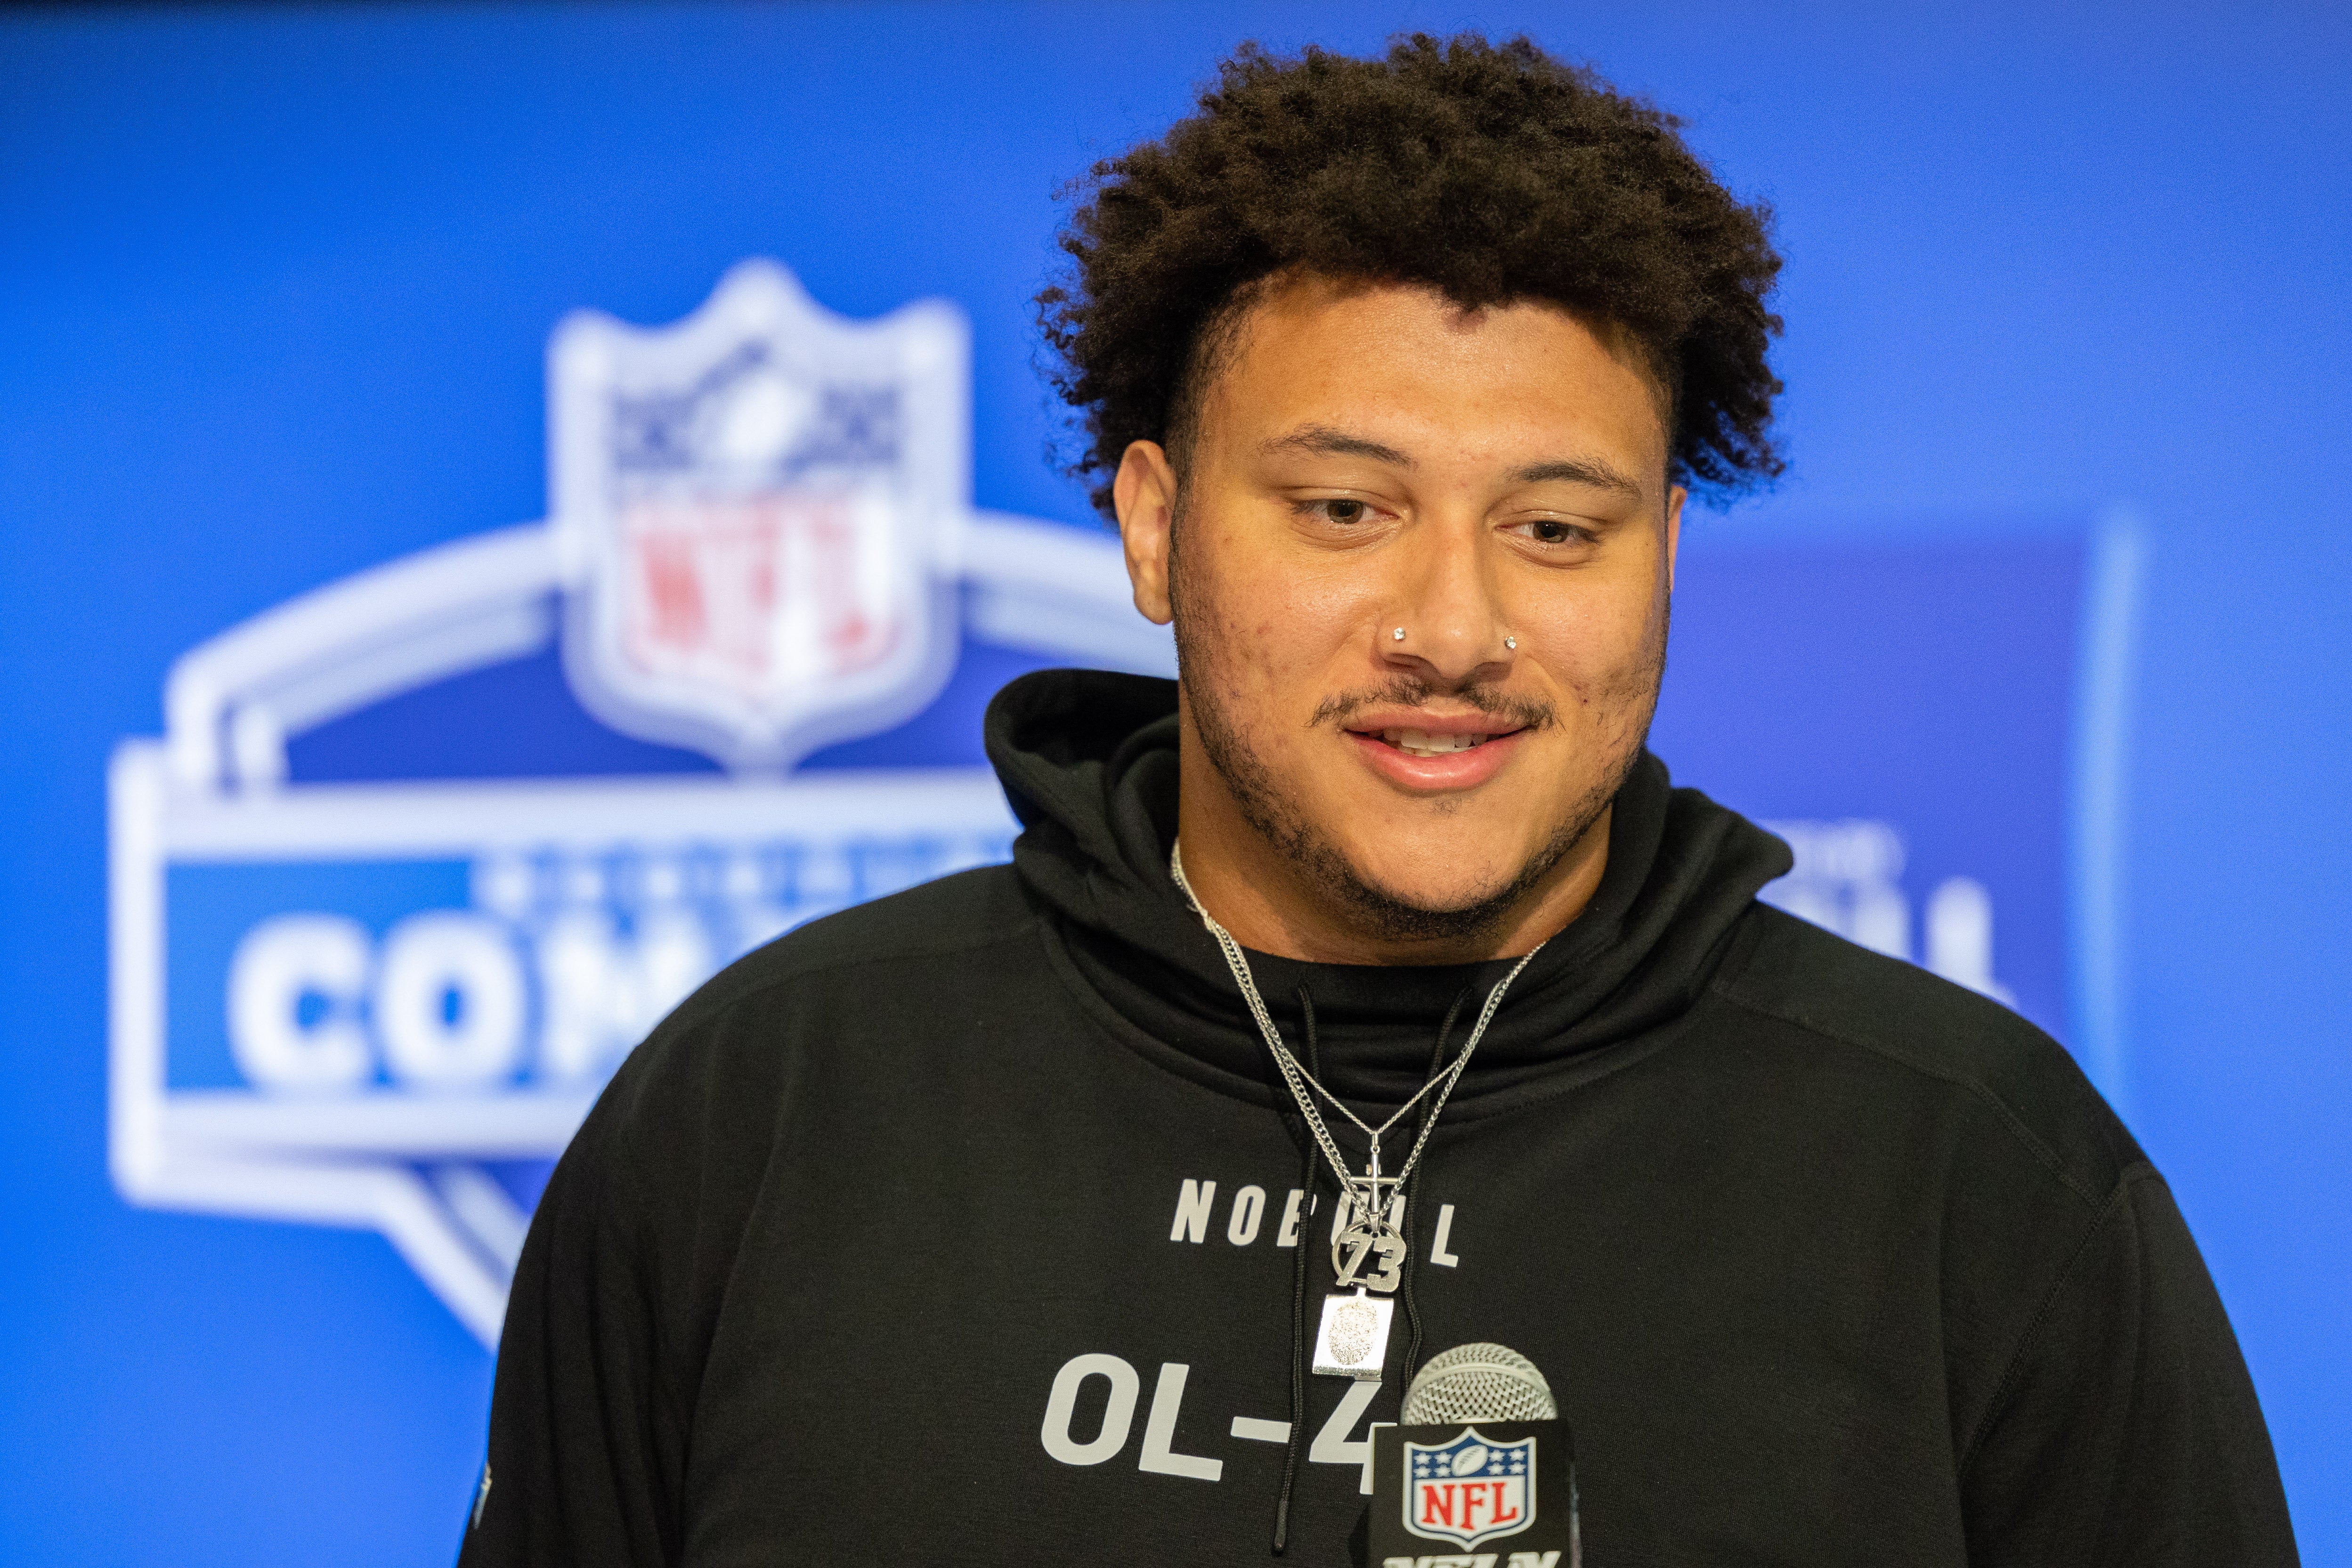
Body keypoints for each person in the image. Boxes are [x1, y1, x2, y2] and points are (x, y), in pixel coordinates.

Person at [460, 34, 2297, 1566]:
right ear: (1155, 528)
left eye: (1554, 528)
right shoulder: (766, 1109)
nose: (1452, 628)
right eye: (1345, 508)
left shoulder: (1977, 1175)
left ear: (1665, 554)